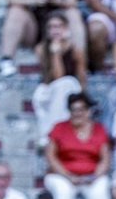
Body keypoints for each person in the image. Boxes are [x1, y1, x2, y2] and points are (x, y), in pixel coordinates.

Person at [44, 92, 113, 199]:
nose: (77, 113)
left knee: (99, 191)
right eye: (73, 109)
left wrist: (94, 177)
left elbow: (105, 159)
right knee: (64, 192)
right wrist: (69, 176)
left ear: (88, 110)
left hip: (92, 177)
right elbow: (51, 156)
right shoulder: (59, 127)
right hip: (62, 176)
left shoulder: (99, 129)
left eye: (81, 109)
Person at [32, 10, 88, 145]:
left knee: (65, 84)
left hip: (70, 88)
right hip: (50, 88)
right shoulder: (41, 49)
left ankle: (58, 133)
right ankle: (48, 133)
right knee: (41, 93)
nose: (55, 30)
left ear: (66, 28)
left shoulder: (75, 49)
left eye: (58, 26)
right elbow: (52, 77)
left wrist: (56, 54)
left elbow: (79, 75)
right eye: (51, 27)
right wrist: (54, 53)